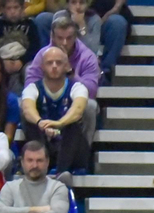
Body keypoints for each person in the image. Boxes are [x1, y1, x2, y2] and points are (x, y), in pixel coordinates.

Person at [25, 13, 95, 146]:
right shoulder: (43, 55)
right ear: (52, 37)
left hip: (73, 102)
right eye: (60, 38)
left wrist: (70, 72)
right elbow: (30, 85)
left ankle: (84, 154)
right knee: (25, 106)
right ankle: (38, 153)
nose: (64, 43)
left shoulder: (87, 57)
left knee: (90, 106)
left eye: (69, 38)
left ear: (75, 37)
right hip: (46, 102)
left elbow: (91, 91)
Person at [19, 40, 84, 175]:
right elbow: (27, 108)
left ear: (66, 66)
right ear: (42, 66)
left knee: (74, 124)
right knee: (29, 122)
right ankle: (38, 167)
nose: (54, 66)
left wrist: (60, 123)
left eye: (59, 63)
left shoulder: (77, 87)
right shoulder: (33, 88)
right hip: (43, 143)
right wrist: (40, 122)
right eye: (49, 63)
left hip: (68, 148)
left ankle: (61, 173)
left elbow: (78, 109)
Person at [49, 0, 123, 80]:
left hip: (84, 59)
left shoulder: (94, 19)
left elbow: (93, 50)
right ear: (68, 4)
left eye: (81, 3)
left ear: (87, 4)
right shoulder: (59, 16)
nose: (78, 7)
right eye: (73, 3)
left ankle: (106, 71)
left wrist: (82, 25)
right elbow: (53, 44)